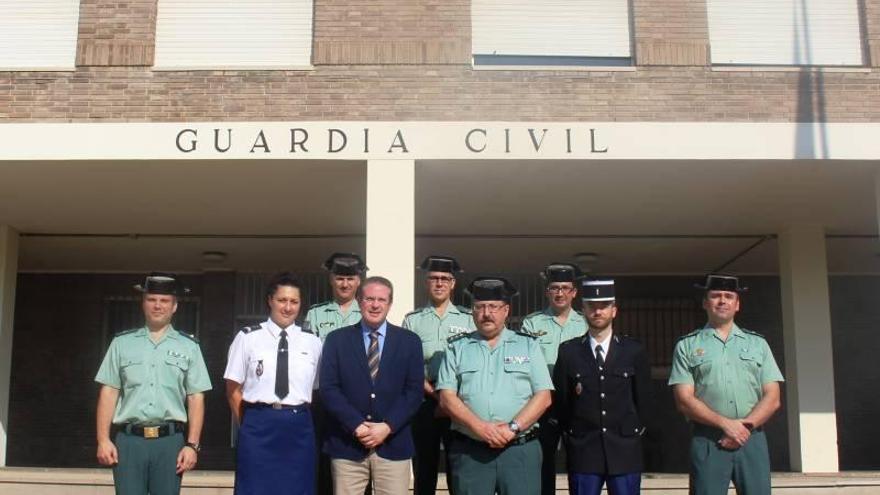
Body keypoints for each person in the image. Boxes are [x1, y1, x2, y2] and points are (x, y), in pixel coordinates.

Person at [95, 272, 211, 495]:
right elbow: (109, 391)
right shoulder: (121, 343)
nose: (158, 306)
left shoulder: (189, 347)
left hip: (169, 443)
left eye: (164, 301)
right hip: (129, 442)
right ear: (143, 304)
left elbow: (196, 397)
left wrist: (192, 445)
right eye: (151, 299)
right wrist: (103, 439)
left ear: (174, 306)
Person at [669, 274, 784, 495]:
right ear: (705, 303)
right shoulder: (687, 346)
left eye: (729, 296)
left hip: (752, 438)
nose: (722, 301)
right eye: (715, 296)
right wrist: (726, 425)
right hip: (708, 440)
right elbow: (684, 400)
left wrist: (745, 427)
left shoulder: (758, 344)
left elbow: (773, 397)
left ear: (737, 304)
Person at [436, 277, 553, 495]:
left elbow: (543, 396)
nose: (486, 313)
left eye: (493, 307)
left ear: (506, 310)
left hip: (520, 452)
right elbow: (446, 397)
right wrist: (481, 428)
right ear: (472, 311)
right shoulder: (457, 347)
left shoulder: (528, 344)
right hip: (471, 452)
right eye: (479, 307)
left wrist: (512, 428)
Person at [319, 276, 424, 495]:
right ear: (359, 300)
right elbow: (329, 389)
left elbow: (414, 392)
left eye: (381, 300)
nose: (375, 305)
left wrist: (388, 426)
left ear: (390, 303)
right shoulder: (336, 340)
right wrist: (356, 424)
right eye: (369, 299)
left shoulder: (410, 341)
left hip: (393, 444)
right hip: (347, 445)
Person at [224, 272, 323, 495]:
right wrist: (248, 423)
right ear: (270, 300)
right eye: (282, 300)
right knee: (254, 488)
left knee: (298, 488)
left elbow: (315, 390)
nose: (288, 307)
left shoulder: (313, 341)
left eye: (294, 302)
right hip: (258, 424)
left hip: (299, 426)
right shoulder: (248, 337)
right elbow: (232, 388)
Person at [552, 279, 652, 495]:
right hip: (584, 450)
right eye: (592, 306)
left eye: (604, 306)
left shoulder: (633, 351)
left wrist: (636, 432)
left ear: (614, 310)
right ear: (583, 310)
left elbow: (644, 399)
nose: (598, 311)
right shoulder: (569, 352)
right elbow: (562, 401)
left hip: (625, 450)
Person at [404, 255, 474, 495]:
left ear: (453, 284)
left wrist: (451, 401)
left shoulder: (468, 318)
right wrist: (438, 397)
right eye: (434, 278)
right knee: (424, 470)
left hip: (461, 402)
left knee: (460, 468)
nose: (439, 283)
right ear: (426, 282)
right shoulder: (413, 320)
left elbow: (475, 361)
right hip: (426, 401)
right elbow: (409, 366)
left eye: (445, 279)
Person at [521, 262, 587, 495]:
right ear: (547, 291)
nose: (560, 293)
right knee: (543, 461)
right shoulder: (532, 323)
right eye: (555, 288)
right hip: (544, 402)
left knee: (580, 462)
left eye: (566, 288)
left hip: (578, 403)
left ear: (574, 292)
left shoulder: (586, 322)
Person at [306, 252, 368, 495]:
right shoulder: (316, 314)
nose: (345, 284)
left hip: (359, 398)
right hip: (323, 397)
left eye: (350, 279)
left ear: (359, 281)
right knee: (322, 459)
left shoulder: (366, 312)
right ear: (331, 279)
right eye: (340, 278)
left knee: (360, 459)